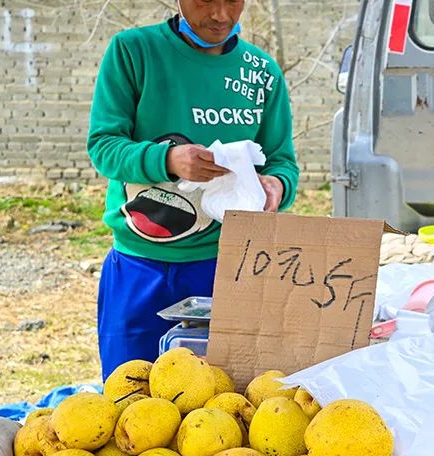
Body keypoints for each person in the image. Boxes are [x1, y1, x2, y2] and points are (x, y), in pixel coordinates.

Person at [87, 0, 299, 382]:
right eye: (205, 0)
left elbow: (282, 161)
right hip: (139, 266)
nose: (220, 15)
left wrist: (277, 185)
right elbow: (104, 146)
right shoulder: (133, 52)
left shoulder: (262, 72)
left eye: (233, 1)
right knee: (128, 392)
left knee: (218, 396)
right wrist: (167, 159)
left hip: (226, 266)